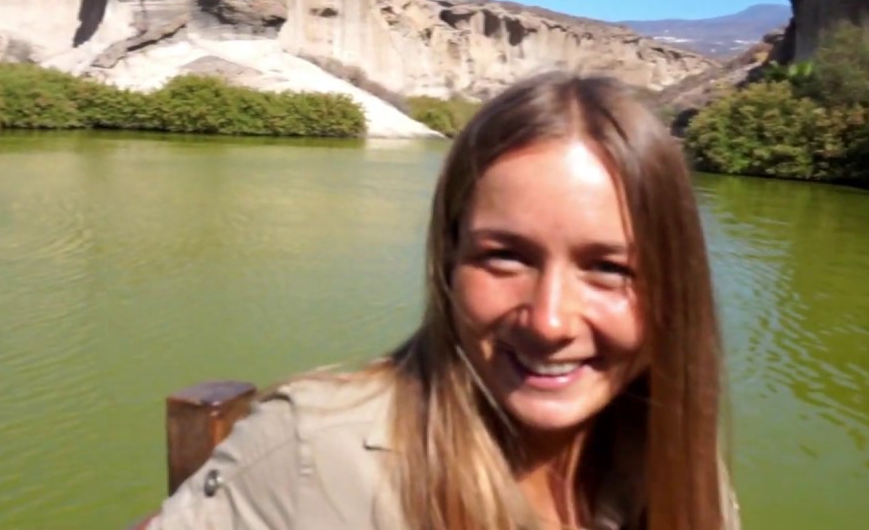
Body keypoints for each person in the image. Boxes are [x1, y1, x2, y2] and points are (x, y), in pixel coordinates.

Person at [137, 72, 739, 530]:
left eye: (610, 269)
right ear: (448, 260)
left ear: (673, 286)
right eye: (505, 256)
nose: (550, 320)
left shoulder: (678, 461)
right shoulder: (314, 451)